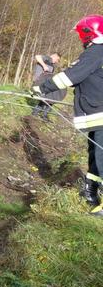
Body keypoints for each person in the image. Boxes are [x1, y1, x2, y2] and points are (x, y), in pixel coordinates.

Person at [32, 15, 103, 217]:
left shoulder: (96, 52)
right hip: (97, 112)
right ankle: (90, 192)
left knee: (102, 156)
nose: (80, 39)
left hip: (100, 111)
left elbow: (70, 76)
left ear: (88, 34)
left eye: (81, 35)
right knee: (95, 154)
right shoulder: (98, 52)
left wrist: (42, 88)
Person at [30, 52, 65, 120]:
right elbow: (37, 56)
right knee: (46, 97)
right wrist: (44, 65)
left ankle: (44, 114)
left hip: (45, 83)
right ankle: (36, 113)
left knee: (53, 97)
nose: (57, 62)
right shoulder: (47, 58)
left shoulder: (52, 66)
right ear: (54, 56)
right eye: (57, 60)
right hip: (39, 82)